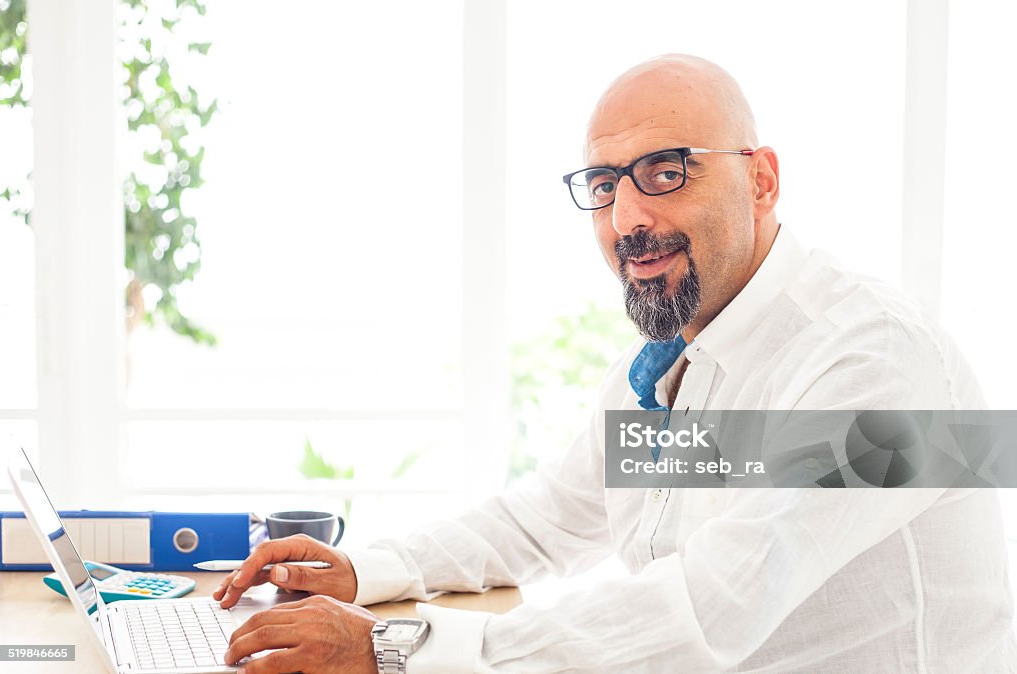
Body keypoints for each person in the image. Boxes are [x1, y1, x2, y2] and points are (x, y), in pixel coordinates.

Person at [214, 55, 1016, 673]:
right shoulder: (684, 357)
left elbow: (713, 608)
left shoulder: (881, 364)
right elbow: (551, 517)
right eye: (604, 185)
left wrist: (396, 650)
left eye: (667, 173)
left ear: (761, 180)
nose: (627, 218)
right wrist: (363, 570)